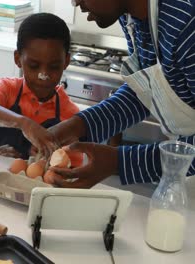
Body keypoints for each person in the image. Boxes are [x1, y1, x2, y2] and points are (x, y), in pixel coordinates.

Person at [24, 0, 195, 188]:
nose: (75, 2)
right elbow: (146, 92)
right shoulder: (132, 18)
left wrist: (119, 162)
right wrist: (78, 126)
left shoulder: (187, 23)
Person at [0, 13, 82, 166]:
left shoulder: (70, 116)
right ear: (18, 59)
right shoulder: (8, 89)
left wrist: (50, 162)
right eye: (33, 65)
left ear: (66, 62)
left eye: (53, 67)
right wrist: (25, 124)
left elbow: (72, 169)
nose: (43, 75)